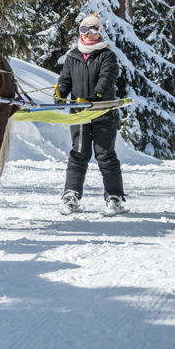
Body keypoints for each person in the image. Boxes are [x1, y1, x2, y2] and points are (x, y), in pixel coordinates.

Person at [55, 13, 129, 216]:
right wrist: (60, 92)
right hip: (79, 115)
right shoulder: (73, 55)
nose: (88, 34)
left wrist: (95, 96)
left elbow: (107, 79)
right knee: (78, 155)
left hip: (103, 112)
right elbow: (65, 79)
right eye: (83, 30)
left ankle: (114, 198)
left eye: (93, 30)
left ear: (99, 32)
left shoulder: (107, 55)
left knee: (105, 155)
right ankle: (71, 196)